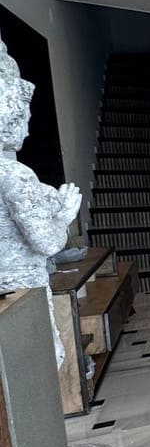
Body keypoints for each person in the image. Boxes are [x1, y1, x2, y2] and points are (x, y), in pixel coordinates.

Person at [0, 38, 81, 365]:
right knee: (40, 365)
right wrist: (65, 215)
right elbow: (46, 242)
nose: (28, 130)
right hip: (23, 291)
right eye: (25, 120)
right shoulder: (15, 174)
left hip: (11, 293)